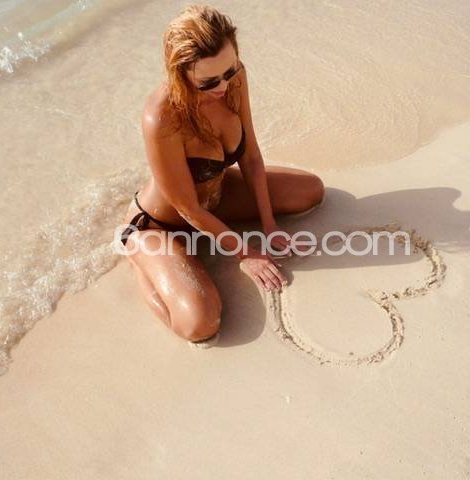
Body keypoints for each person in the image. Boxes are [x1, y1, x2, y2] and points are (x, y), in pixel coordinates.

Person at [120, 4, 325, 345]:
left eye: (229, 71)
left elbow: (251, 157)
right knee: (201, 325)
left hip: (215, 199)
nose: (223, 85)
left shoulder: (234, 79)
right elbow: (187, 208)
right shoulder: (162, 117)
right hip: (162, 224)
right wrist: (246, 253)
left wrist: (269, 225)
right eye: (208, 82)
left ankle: (203, 240)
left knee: (310, 191)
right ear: (179, 73)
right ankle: (139, 258)